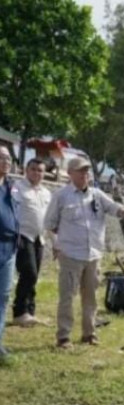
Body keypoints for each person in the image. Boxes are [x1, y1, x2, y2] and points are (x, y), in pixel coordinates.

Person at [44, 157, 124, 349]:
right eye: (80, 171)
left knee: (91, 297)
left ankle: (89, 334)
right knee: (67, 297)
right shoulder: (61, 196)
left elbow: (113, 207)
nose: (85, 174)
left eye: (87, 171)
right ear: (70, 173)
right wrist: (57, 245)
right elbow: (50, 225)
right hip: (70, 254)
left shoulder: (97, 195)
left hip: (94, 255)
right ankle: (63, 337)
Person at [11, 159, 52, 326]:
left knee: (34, 277)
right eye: (33, 169)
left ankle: (30, 311)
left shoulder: (46, 193)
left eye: (40, 170)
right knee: (29, 273)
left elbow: (50, 219)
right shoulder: (17, 188)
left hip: (39, 238)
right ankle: (19, 311)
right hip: (22, 235)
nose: (37, 173)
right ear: (26, 170)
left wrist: (55, 243)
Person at [0, 146, 19, 360]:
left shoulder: (11, 187)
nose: (6, 161)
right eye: (1, 158)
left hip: (9, 247)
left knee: (3, 296)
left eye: (8, 158)